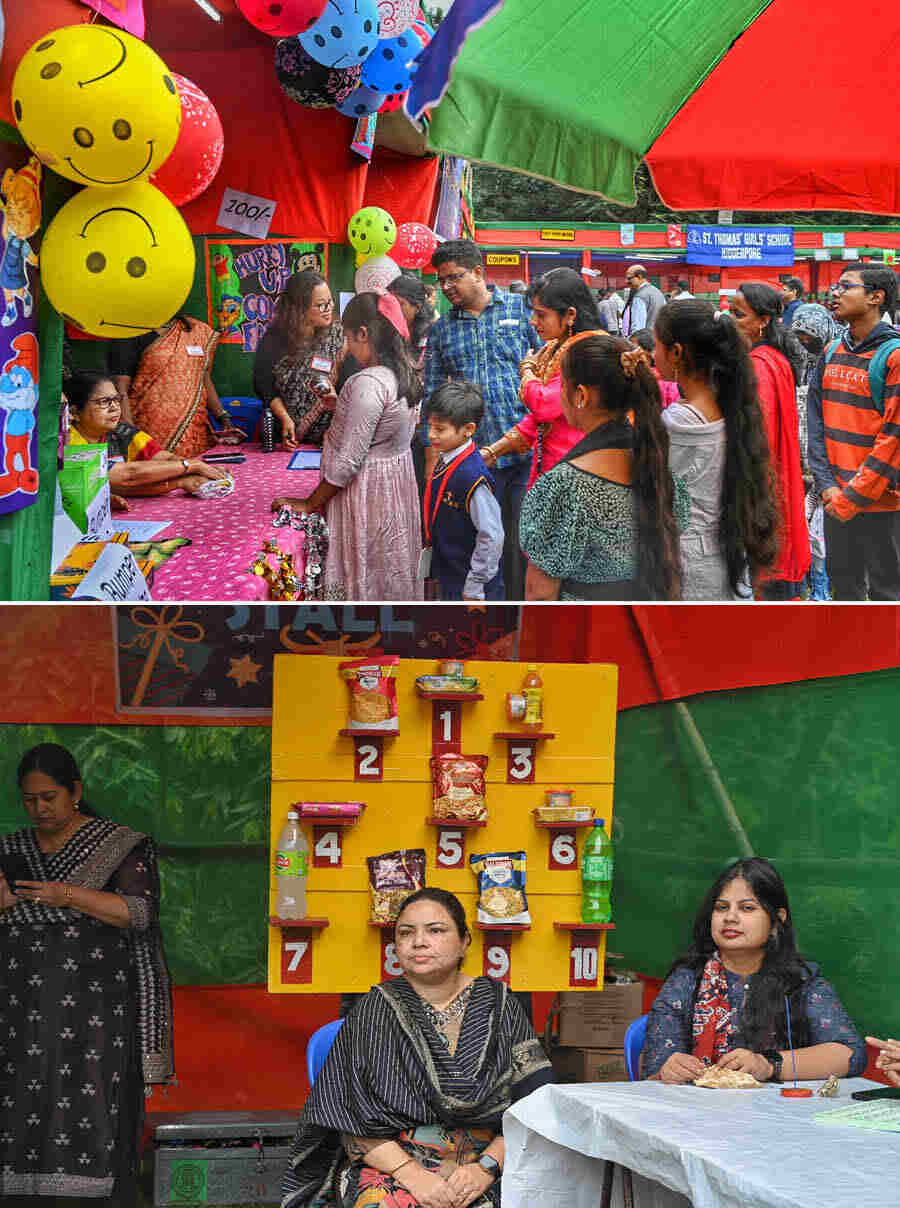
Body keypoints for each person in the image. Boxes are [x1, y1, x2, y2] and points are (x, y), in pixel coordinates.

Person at [281, 888, 553, 1208]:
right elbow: (348, 1116)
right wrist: (413, 1176)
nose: (418, 941)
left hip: (490, 1161)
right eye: (405, 933)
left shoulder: (500, 1004)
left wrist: (486, 1168)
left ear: (465, 941)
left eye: (435, 930)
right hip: (392, 1163)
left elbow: (535, 1103)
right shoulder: (375, 1010)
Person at [0, 742, 173, 1207]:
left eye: (49, 797)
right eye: (30, 799)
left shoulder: (120, 845)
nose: (39, 808)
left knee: (93, 1108)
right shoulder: (11, 849)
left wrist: (68, 897)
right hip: (21, 1012)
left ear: (75, 791)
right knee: (21, 1107)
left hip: (96, 1014)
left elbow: (139, 912)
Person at [642, 857, 867, 1084]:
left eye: (747, 908)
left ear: (777, 921)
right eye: (721, 907)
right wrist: (668, 1071)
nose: (730, 917)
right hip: (696, 1112)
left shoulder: (799, 980)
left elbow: (850, 1054)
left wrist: (768, 1065)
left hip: (778, 1113)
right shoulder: (687, 980)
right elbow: (654, 1071)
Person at [272, 292, 422, 601]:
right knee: (386, 566)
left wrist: (309, 503)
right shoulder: (404, 373)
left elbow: (347, 463)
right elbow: (382, 427)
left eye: (349, 337)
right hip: (392, 488)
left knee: (362, 572)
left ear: (363, 333)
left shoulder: (367, 382)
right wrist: (340, 405)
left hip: (367, 492)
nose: (347, 347)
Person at [519, 334, 689, 600]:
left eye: (562, 385)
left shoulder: (564, 486)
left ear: (581, 396)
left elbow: (539, 593)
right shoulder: (658, 469)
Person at [423, 239, 540, 600]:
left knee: (523, 540)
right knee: (479, 542)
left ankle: (521, 613)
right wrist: (434, 465)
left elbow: (548, 373)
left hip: (524, 454)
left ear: (478, 272)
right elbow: (432, 396)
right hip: (472, 465)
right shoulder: (443, 330)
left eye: (453, 278)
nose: (446, 288)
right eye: (441, 281)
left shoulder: (521, 311)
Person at [654, 301, 778, 599]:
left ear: (677, 353)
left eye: (656, 346)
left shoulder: (678, 422)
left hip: (688, 564)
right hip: (727, 553)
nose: (651, 354)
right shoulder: (731, 406)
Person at [806, 265, 900, 600]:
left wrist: (852, 497)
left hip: (883, 506)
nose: (836, 292)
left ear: (876, 297)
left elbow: (893, 439)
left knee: (887, 594)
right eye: (836, 286)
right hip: (835, 499)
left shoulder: (894, 356)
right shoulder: (832, 351)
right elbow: (815, 422)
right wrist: (828, 485)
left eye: (846, 286)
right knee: (844, 589)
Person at [480, 268, 603, 490]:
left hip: (580, 477)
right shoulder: (556, 347)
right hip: (553, 471)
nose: (532, 321)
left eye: (541, 314)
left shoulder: (591, 352)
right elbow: (541, 422)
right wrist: (493, 451)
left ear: (570, 315)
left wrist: (526, 370)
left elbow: (544, 405)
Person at [730, 283, 811, 598]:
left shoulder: (758, 366)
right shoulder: (775, 359)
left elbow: (755, 437)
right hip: (778, 484)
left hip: (762, 491)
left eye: (738, 314)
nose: (730, 319)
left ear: (763, 321)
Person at [65, 371, 229, 506]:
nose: (115, 407)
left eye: (116, 400)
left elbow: (165, 458)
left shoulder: (120, 431)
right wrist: (191, 466)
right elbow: (128, 476)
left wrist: (203, 473)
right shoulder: (68, 441)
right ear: (74, 413)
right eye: (104, 402)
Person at [110, 314, 245, 456]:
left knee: (196, 472)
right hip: (148, 431)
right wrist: (131, 434)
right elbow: (120, 388)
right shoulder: (129, 331)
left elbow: (203, 376)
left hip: (192, 432)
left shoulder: (194, 330)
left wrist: (223, 417)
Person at [424, 381, 504, 601]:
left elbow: (492, 536)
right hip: (450, 575)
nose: (431, 435)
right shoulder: (447, 458)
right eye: (429, 426)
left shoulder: (472, 476)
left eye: (440, 429)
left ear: (468, 429)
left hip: (471, 587)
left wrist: (475, 585)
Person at [253, 270, 343, 449]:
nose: (329, 309)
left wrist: (336, 431)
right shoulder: (274, 339)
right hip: (285, 438)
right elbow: (263, 385)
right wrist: (285, 418)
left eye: (330, 301)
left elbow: (350, 392)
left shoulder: (340, 337)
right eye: (320, 305)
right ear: (299, 309)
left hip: (328, 441)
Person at [630, 327, 680, 408]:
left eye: (635, 350)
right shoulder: (631, 375)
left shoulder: (665, 379)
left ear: (649, 353)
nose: (631, 355)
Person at [621, 264, 666, 336]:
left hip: (644, 342)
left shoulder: (640, 296)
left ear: (639, 276)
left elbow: (638, 327)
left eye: (629, 278)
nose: (626, 281)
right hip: (657, 338)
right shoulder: (658, 292)